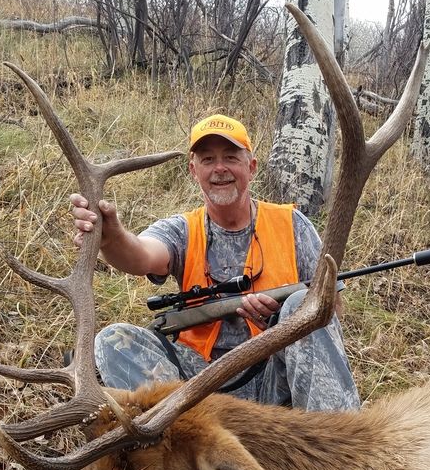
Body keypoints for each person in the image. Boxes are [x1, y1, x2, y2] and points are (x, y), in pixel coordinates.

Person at [70, 113, 360, 411]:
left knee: (302, 303)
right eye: (208, 159)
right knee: (113, 340)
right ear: (193, 170)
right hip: (199, 387)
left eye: (231, 157)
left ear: (252, 167)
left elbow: (332, 307)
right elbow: (142, 255)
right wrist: (112, 238)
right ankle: (177, 432)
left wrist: (283, 321)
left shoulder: (293, 225)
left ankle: (337, 436)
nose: (220, 168)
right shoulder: (182, 230)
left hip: (275, 377)